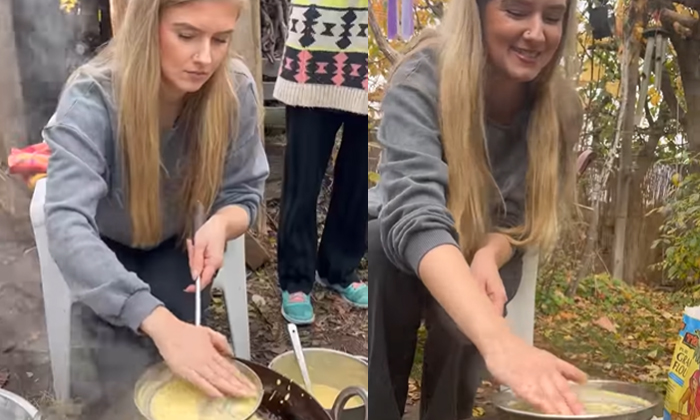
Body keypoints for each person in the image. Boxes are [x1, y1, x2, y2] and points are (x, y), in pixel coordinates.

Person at [42, 0, 269, 417]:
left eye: (220, 40)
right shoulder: (93, 98)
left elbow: (245, 192)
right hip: (104, 247)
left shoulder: (234, 90)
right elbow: (66, 224)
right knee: (117, 381)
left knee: (179, 370)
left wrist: (220, 224)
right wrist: (158, 323)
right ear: (147, 25)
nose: (205, 58)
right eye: (186, 36)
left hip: (173, 244)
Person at [367, 0, 589, 418]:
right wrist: (501, 344)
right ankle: (379, 407)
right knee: (379, 246)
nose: (537, 33)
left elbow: (523, 219)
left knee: (469, 307)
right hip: (405, 239)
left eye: (553, 18)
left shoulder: (562, 110)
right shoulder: (421, 78)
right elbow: (414, 214)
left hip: (488, 248)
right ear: (478, 12)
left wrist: (489, 254)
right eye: (518, 11)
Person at [272, 0, 369, 325]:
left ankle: (339, 269)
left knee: (358, 179)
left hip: (372, 53)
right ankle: (296, 278)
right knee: (303, 176)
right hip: (315, 46)